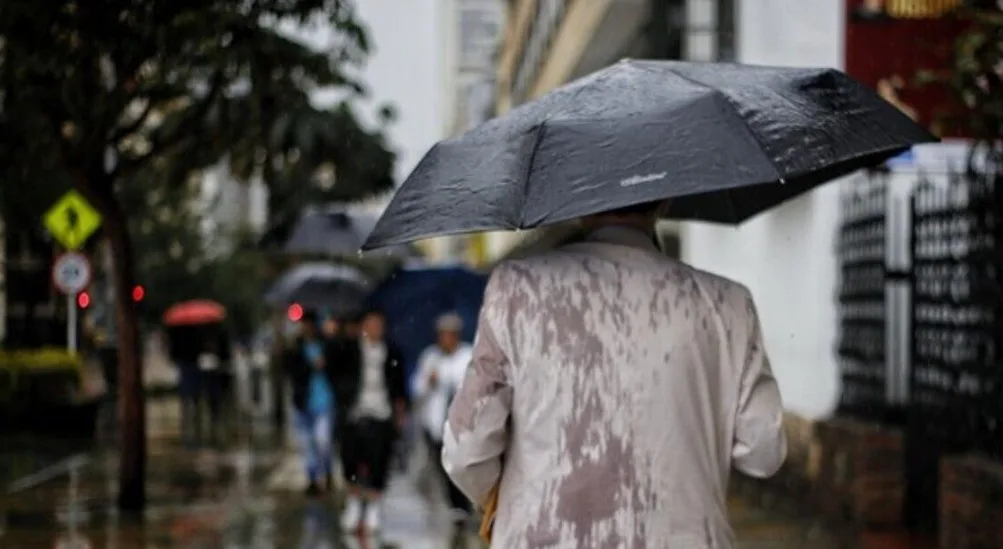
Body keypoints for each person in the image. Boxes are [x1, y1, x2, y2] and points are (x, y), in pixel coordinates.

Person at [441, 201, 787, 548]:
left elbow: (466, 451)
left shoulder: (517, 290)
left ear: (578, 202)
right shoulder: (728, 304)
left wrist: (513, 505)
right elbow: (763, 450)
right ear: (664, 202)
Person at [337, 308, 408, 533]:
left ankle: (374, 507)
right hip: (355, 413)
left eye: (379, 324)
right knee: (351, 459)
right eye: (371, 324)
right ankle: (355, 503)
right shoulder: (349, 349)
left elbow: (399, 387)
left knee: (378, 461)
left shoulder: (392, 352)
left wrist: (399, 414)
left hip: (382, 413)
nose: (376, 329)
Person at [413, 313, 474, 529]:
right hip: (437, 425)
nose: (445, 339)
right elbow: (417, 389)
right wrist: (428, 382)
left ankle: (466, 502)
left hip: (465, 426)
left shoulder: (469, 356)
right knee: (445, 467)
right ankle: (457, 506)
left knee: (463, 466)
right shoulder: (430, 358)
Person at [285, 310, 338, 496]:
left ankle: (327, 470)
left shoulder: (328, 344)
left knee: (323, 440)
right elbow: (291, 371)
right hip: (303, 402)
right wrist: (310, 365)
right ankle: (313, 478)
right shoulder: (295, 347)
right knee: (307, 444)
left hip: (325, 401)